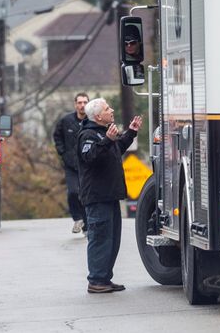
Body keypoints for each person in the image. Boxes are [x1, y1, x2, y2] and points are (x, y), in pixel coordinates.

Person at [77, 97, 142, 293]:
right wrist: (107, 141)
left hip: (110, 196)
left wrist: (131, 132)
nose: (112, 110)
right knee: (100, 238)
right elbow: (90, 157)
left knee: (112, 240)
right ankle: (96, 280)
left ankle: (104, 278)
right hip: (97, 197)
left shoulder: (105, 134)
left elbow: (117, 148)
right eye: (107, 109)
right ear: (98, 116)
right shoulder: (87, 135)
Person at [53, 92, 89, 234]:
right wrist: (62, 152)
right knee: (73, 192)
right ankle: (78, 218)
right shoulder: (66, 121)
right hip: (71, 165)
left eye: (85, 102)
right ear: (75, 105)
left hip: (87, 165)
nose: (82, 105)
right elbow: (57, 136)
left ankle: (87, 225)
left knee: (86, 195)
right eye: (79, 103)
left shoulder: (92, 121)